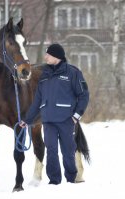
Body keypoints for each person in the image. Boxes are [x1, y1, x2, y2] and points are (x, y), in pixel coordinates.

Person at [20, 43, 89, 185]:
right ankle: (54, 181)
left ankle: (71, 178)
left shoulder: (72, 73)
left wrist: (76, 115)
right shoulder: (44, 76)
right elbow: (37, 102)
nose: (45, 57)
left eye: (48, 54)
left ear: (56, 56)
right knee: (51, 151)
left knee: (68, 151)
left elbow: (83, 95)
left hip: (66, 120)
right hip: (48, 121)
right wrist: (27, 120)